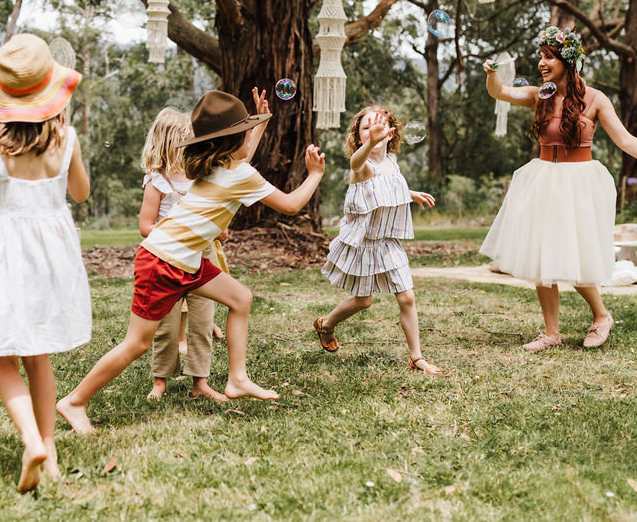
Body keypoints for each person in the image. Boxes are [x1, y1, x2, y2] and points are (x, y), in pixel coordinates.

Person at [57, 89, 325, 434]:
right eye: (246, 132)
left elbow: (241, 158)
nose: (249, 138)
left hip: (185, 260)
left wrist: (260, 123)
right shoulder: (238, 174)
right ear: (234, 140)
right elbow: (290, 205)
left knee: (240, 298)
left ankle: (237, 379)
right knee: (136, 343)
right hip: (162, 261)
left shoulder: (217, 165)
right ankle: (74, 401)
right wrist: (314, 174)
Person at [0, 33, 90, 493]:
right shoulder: (66, 138)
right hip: (52, 253)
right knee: (38, 355)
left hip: (6, 251)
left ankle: (32, 440)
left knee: (2, 357)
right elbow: (81, 194)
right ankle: (48, 449)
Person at [480, 25, 637, 351]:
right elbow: (500, 92)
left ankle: (601, 316)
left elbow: (625, 140)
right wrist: (491, 75)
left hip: (578, 181)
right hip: (544, 178)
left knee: (575, 252)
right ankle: (551, 332)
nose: (542, 63)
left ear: (567, 61)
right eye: (540, 57)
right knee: (544, 255)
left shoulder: (595, 99)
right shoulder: (538, 95)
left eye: (549, 57)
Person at [139, 103, 262, 402]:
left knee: (203, 322)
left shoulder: (202, 176)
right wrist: (177, 236)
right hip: (167, 255)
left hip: (202, 255)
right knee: (166, 326)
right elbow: (145, 225)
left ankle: (200, 382)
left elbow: (241, 165)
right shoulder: (158, 182)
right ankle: (160, 380)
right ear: (170, 142)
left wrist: (259, 125)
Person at [314, 106, 441, 375]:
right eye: (366, 128)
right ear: (360, 138)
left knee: (407, 297)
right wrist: (372, 142)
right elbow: (355, 164)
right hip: (364, 244)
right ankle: (326, 325)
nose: (373, 130)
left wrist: (411, 193)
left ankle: (416, 357)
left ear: (390, 131)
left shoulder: (392, 161)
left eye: (379, 125)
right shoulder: (363, 166)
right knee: (363, 301)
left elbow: (389, 187)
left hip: (388, 242)